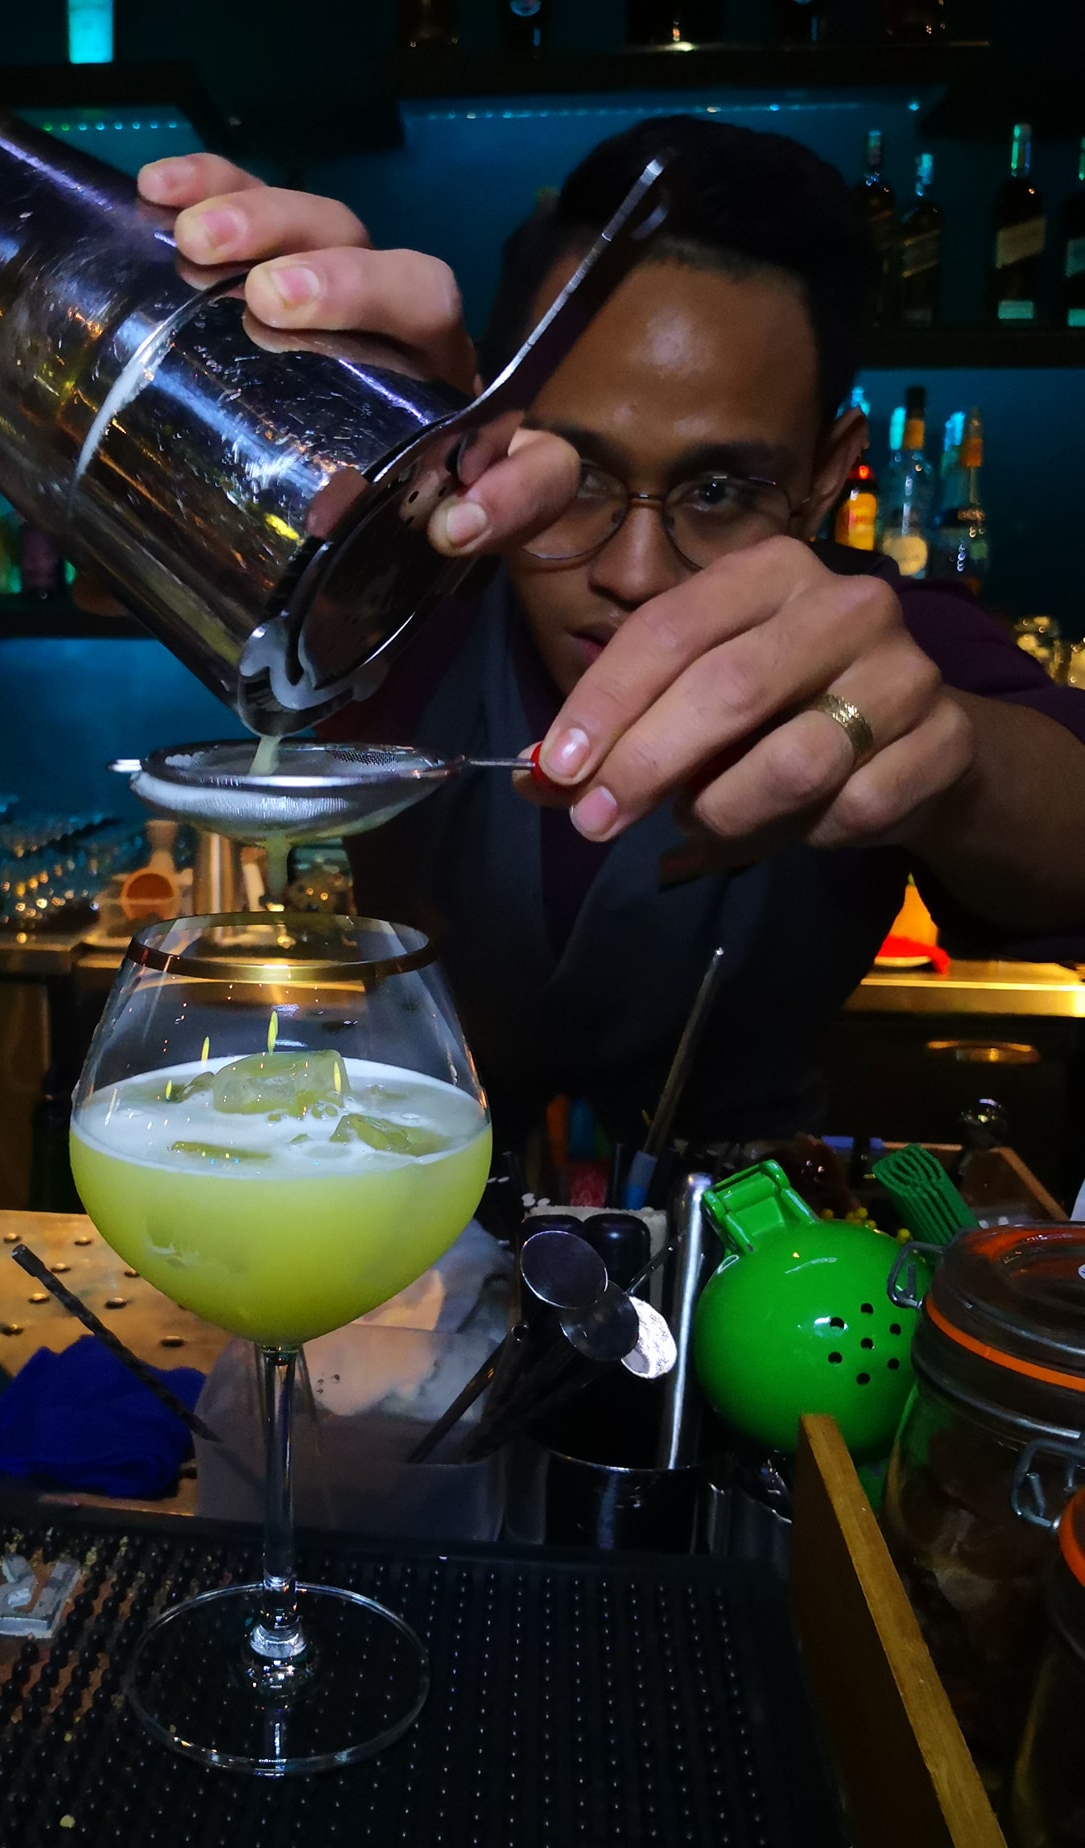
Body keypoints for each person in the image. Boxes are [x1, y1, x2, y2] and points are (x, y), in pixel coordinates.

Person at [134, 121, 1085, 1146]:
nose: (632, 573)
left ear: (825, 475)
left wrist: (960, 765)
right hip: (415, 1197)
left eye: (718, 491)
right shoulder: (407, 605)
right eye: (577, 475)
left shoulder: (891, 636)